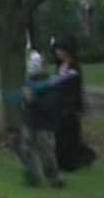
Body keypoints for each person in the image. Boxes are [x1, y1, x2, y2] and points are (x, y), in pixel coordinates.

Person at [19, 58, 66, 188]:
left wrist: (32, 99)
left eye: (36, 66)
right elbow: (25, 103)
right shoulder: (29, 82)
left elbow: (50, 106)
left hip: (44, 124)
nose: (32, 69)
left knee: (46, 153)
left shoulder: (51, 85)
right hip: (29, 123)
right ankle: (33, 177)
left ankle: (54, 179)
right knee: (26, 150)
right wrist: (24, 102)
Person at [53, 34, 97, 172]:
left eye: (60, 50)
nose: (57, 53)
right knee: (61, 135)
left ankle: (72, 162)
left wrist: (72, 106)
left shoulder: (74, 67)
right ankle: (63, 161)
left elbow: (75, 89)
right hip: (60, 105)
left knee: (70, 136)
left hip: (71, 107)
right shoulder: (60, 66)